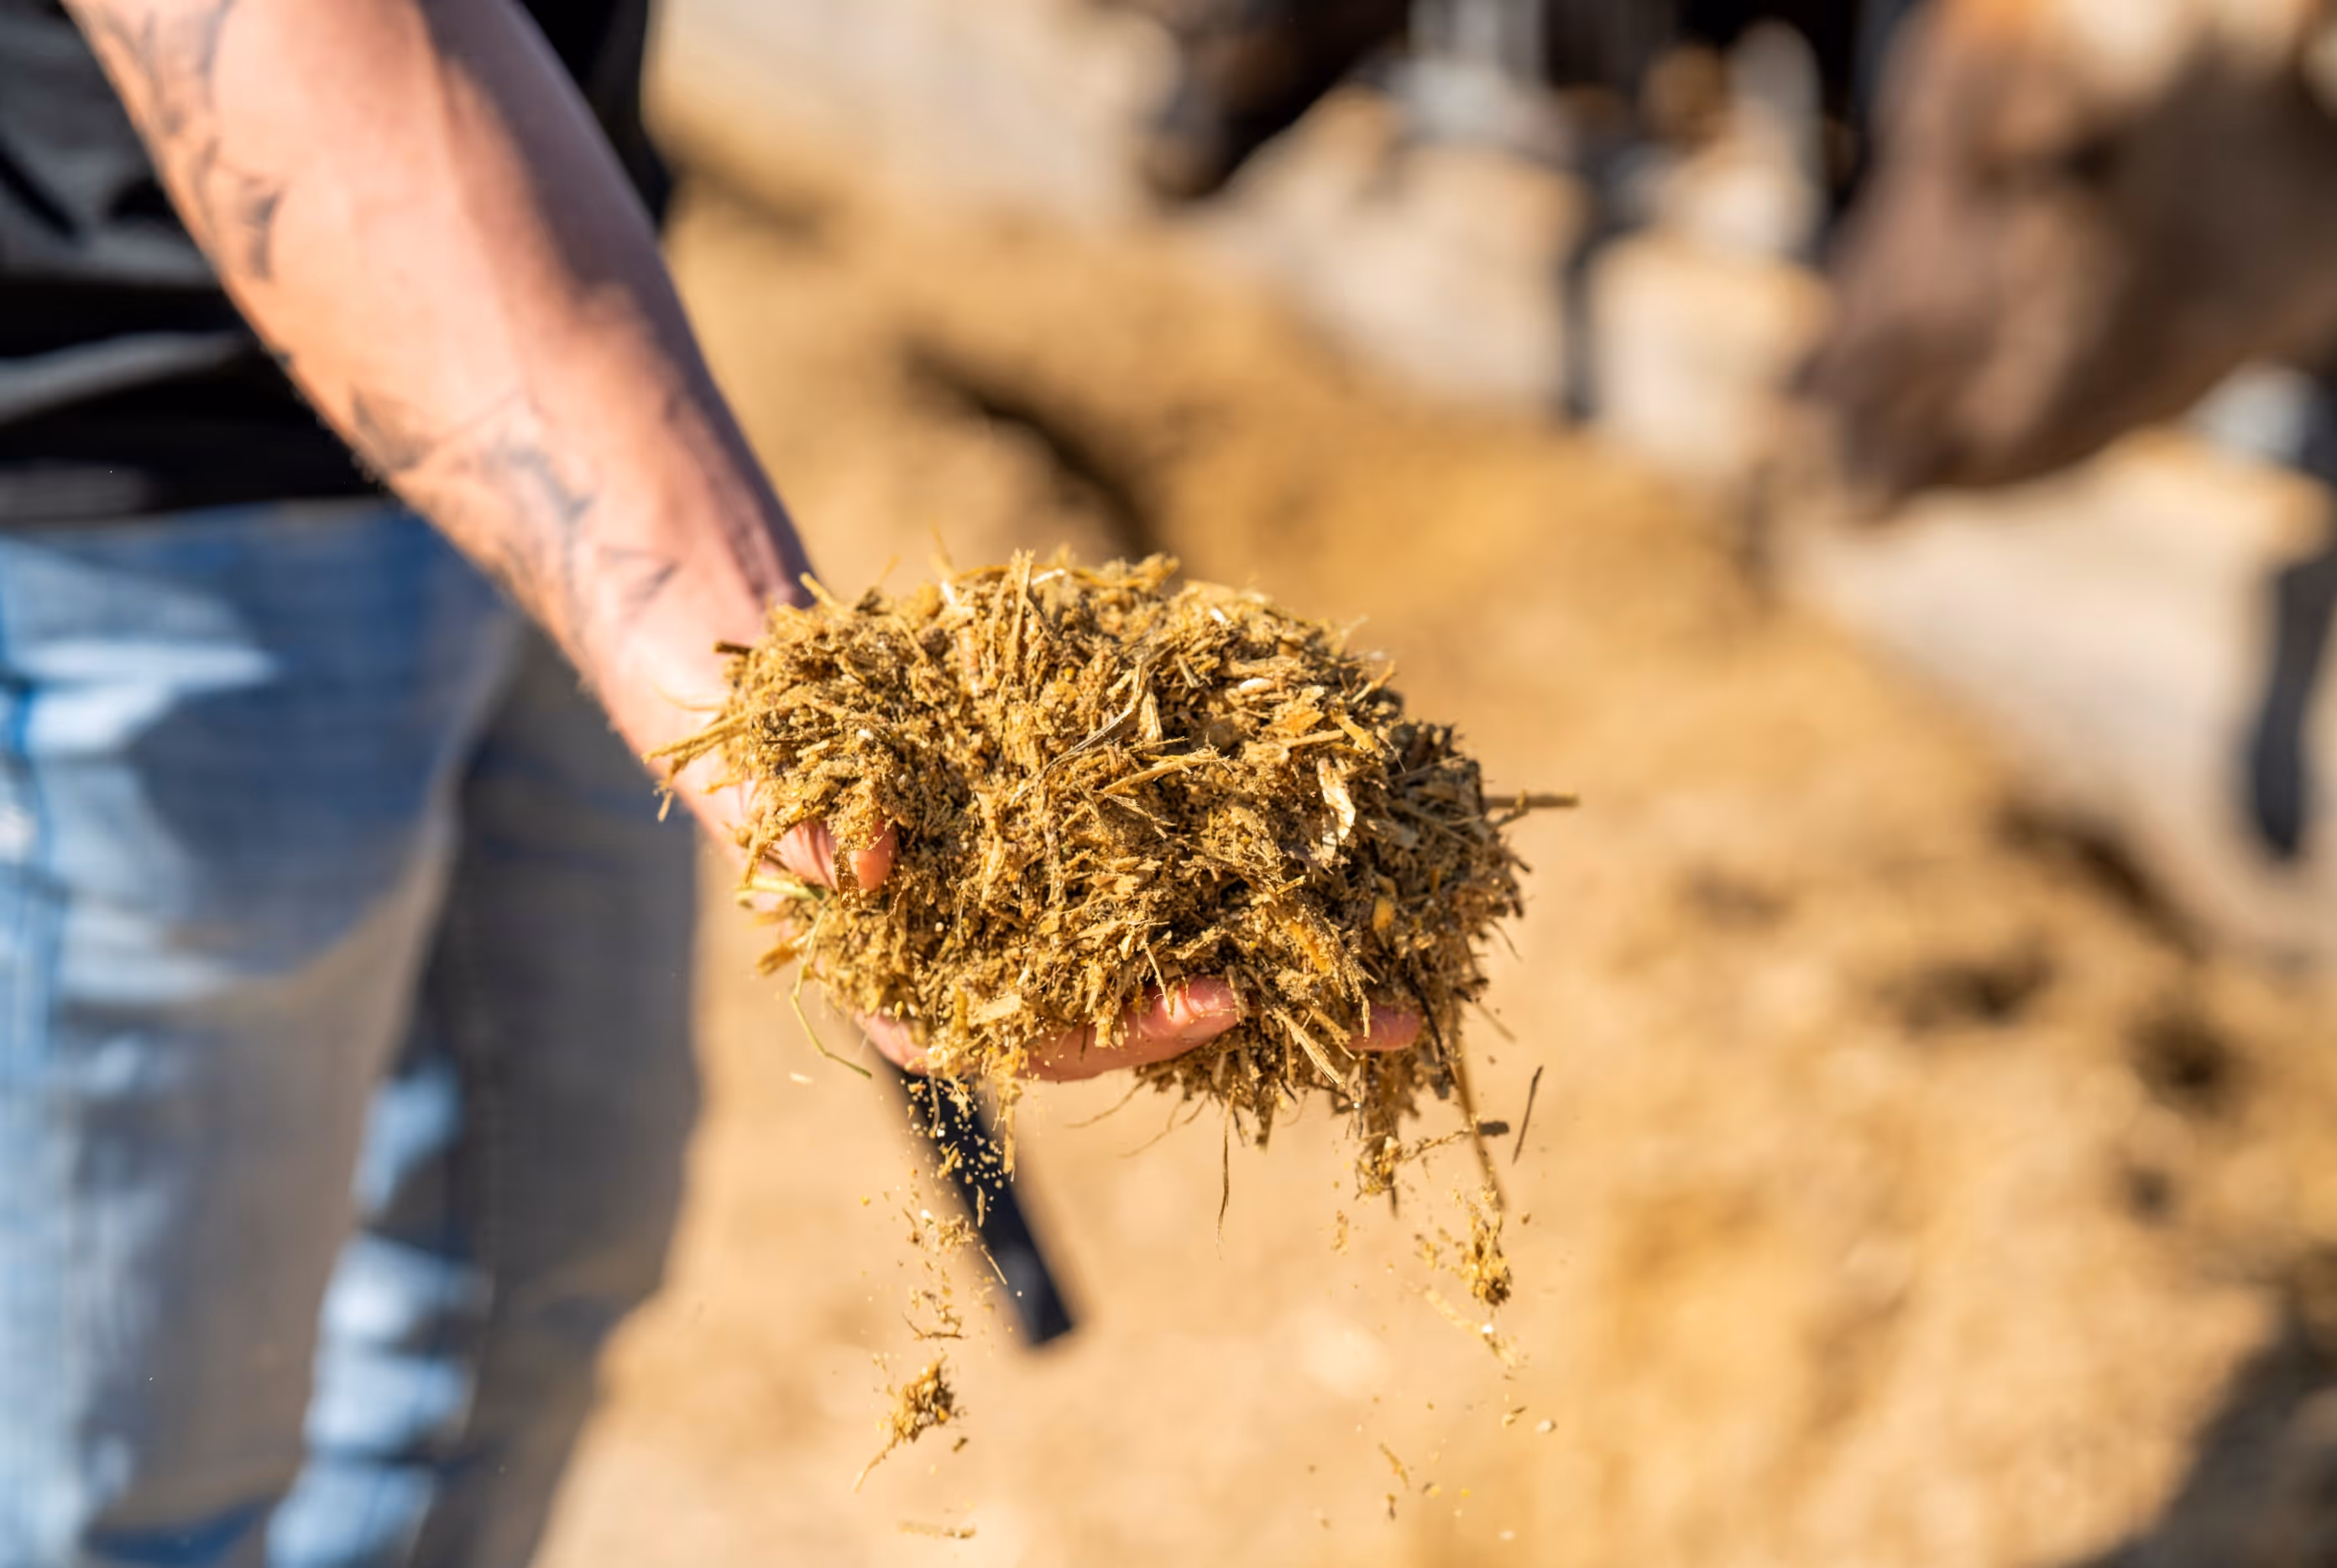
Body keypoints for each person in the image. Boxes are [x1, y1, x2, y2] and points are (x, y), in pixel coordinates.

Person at [0, 1, 1415, 1562]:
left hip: (563, 336)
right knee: (140, 1464)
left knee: (527, 1286)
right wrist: (797, 723)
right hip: (162, 489)